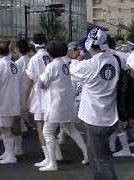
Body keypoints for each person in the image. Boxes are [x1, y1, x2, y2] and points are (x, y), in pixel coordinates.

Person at [70, 28, 119, 180]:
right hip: (110, 115)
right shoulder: (114, 59)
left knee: (101, 159)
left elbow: (73, 70)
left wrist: (76, 57)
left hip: (95, 118)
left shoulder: (89, 65)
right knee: (97, 155)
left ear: (90, 45)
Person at [38, 41, 88, 172]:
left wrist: (39, 79)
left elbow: (43, 84)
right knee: (71, 130)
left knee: (47, 132)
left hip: (55, 104)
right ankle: (87, 154)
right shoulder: (66, 63)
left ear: (50, 53)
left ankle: (52, 163)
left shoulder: (51, 66)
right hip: (66, 103)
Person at [26, 33, 53, 167]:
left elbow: (31, 81)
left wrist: (25, 98)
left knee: (41, 128)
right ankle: (55, 155)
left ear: (34, 44)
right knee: (51, 129)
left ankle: (48, 158)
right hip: (51, 97)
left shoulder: (34, 59)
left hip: (39, 98)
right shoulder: (51, 55)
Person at [15, 39, 31, 155]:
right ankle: (24, 126)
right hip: (31, 91)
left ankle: (18, 148)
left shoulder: (18, 63)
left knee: (16, 118)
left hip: (20, 92)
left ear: (17, 49)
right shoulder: (30, 60)